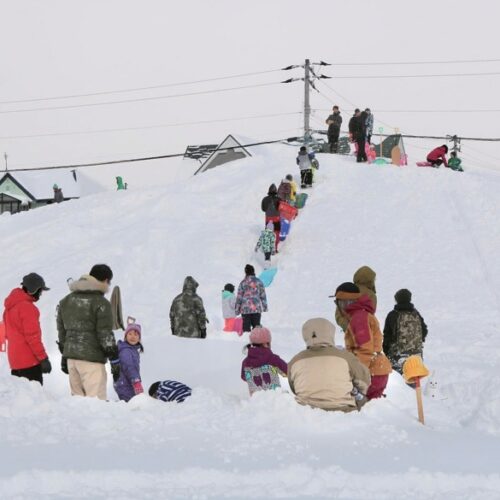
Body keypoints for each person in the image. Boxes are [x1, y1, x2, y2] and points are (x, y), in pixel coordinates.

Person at [57, 264, 119, 400]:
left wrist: (65, 353)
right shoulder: (101, 303)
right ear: (105, 281)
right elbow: (104, 334)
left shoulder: (65, 301)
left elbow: (62, 332)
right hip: (92, 361)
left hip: (71, 360)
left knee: (78, 406)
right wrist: (114, 358)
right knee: (96, 405)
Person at [288, 318, 371, 412]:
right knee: (364, 401)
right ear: (330, 333)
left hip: (305, 411)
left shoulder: (295, 361)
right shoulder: (345, 356)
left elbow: (293, 387)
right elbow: (364, 380)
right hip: (342, 409)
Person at [334, 283, 388, 399]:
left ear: (344, 302)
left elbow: (365, 350)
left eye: (337, 303)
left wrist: (358, 381)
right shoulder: (361, 314)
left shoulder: (359, 318)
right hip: (375, 371)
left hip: (370, 375)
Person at [3, 273, 52, 385]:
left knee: (23, 400)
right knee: (36, 400)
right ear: (33, 290)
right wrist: (43, 359)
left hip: (15, 363)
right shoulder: (27, 308)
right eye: (40, 291)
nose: (40, 294)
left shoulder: (9, 307)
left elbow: (6, 334)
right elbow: (33, 337)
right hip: (30, 364)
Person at [383, 289, 428, 375]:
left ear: (397, 300)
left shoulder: (393, 315)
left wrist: (386, 353)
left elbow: (387, 336)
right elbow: (424, 330)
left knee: (399, 380)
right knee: (413, 378)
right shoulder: (416, 314)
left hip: (398, 356)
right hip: (417, 355)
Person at [241, 326, 287, 395]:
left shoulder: (246, 362)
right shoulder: (273, 359)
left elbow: (244, 377)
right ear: (265, 344)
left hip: (256, 400)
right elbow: (287, 371)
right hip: (275, 399)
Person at [335, 265, 377, 332]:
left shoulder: (347, 290)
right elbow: (370, 314)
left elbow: (338, 314)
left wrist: (347, 326)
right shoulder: (370, 294)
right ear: (370, 280)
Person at [113, 323, 144, 402]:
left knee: (132, 402)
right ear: (125, 336)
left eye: (136, 335)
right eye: (130, 334)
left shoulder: (132, 350)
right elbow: (129, 367)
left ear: (139, 338)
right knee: (132, 402)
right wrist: (136, 381)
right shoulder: (125, 351)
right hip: (124, 383)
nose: (133, 337)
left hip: (127, 381)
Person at [235, 264, 268, 333]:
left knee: (246, 330)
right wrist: (265, 307)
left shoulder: (243, 283)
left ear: (246, 272)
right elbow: (263, 295)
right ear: (253, 271)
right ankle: (256, 342)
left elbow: (239, 297)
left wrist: (237, 309)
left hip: (245, 309)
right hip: (256, 308)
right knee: (256, 329)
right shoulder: (259, 282)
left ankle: (246, 341)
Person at [261, 183, 281, 251]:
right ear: (276, 191)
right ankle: (274, 248)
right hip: (277, 219)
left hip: (268, 219)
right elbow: (283, 208)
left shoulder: (264, 199)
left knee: (268, 233)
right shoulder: (279, 199)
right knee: (276, 233)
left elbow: (263, 209)